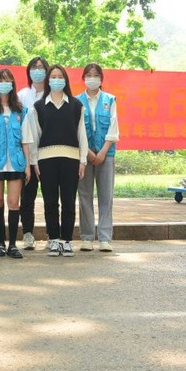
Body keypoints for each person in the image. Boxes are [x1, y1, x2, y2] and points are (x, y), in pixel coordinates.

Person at [27, 65, 88, 257]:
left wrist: (83, 160)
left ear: (66, 80)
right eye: (53, 77)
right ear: (48, 80)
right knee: (50, 201)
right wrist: (35, 162)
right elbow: (35, 137)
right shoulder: (38, 107)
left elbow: (82, 134)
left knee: (69, 201)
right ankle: (53, 239)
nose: (56, 80)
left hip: (71, 159)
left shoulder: (76, 105)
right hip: (46, 160)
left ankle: (66, 240)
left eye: (60, 76)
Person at [0, 69, 32, 258]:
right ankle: (0, 243)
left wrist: (27, 165)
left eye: (8, 80)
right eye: (1, 81)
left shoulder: (21, 111)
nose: (4, 84)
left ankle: (13, 244)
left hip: (16, 163)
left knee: (13, 202)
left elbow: (26, 140)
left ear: (13, 84)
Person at [76, 63, 119, 252]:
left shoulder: (110, 99)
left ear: (101, 79)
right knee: (84, 195)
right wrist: (88, 152)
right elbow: (76, 130)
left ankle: (104, 238)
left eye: (96, 75)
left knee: (106, 196)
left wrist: (102, 152)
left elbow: (113, 128)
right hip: (85, 155)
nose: (92, 78)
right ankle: (86, 237)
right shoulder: (76, 101)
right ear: (83, 78)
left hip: (106, 155)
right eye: (88, 75)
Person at [16, 56, 49, 250]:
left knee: (50, 197)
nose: (37, 71)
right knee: (27, 197)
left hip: (48, 154)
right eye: (34, 67)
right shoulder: (22, 95)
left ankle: (52, 234)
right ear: (28, 71)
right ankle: (28, 233)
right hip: (27, 154)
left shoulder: (53, 94)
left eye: (41, 67)